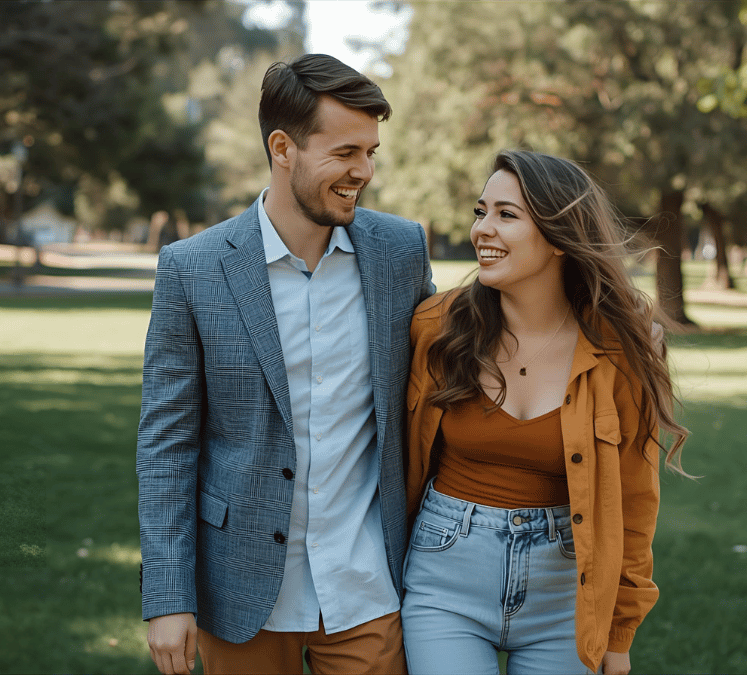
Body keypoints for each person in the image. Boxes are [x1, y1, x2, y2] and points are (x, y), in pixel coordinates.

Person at [137, 53, 434, 675]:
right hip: (238, 590)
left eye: (371, 151)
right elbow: (166, 442)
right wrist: (167, 596)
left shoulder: (401, 251)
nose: (366, 171)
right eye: (346, 153)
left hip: (367, 587)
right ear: (283, 148)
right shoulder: (192, 267)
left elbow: (450, 358)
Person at [402, 150, 689, 675]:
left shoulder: (618, 351)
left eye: (507, 215)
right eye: (480, 211)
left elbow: (635, 499)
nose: (482, 230)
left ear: (560, 236)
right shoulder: (436, 327)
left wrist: (619, 633)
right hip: (446, 580)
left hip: (568, 597)